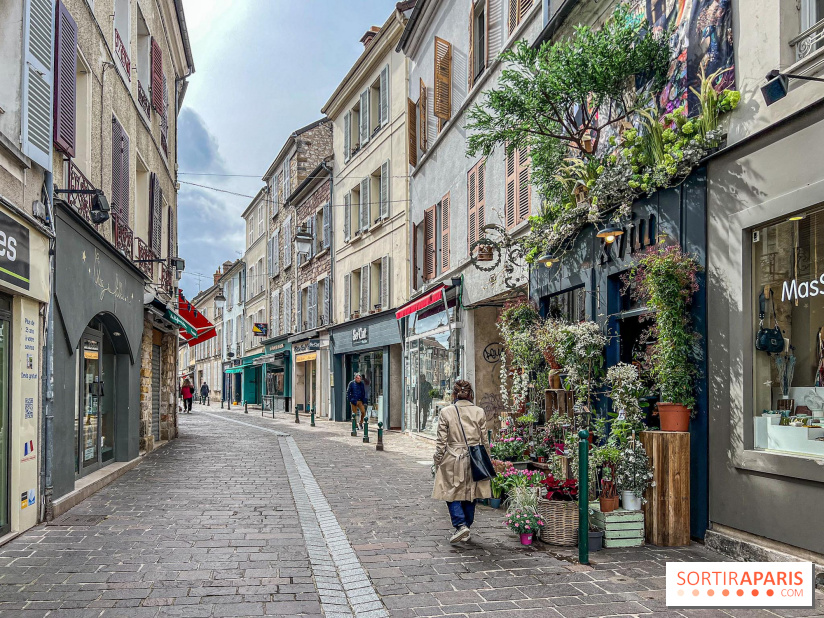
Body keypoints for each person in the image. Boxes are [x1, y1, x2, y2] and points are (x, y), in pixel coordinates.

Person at [432, 380, 491, 544]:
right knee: (470, 493)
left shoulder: (446, 412)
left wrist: (437, 460)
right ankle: (466, 526)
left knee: (449, 491)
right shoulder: (479, 411)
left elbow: (441, 442)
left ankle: (460, 525)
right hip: (474, 457)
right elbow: (484, 440)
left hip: (452, 456)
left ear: (454, 394)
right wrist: (487, 458)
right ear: (471, 394)